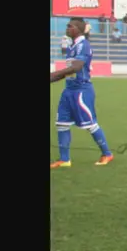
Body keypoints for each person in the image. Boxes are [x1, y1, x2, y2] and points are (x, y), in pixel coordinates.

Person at [50, 18, 114, 168]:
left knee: (90, 124)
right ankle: (64, 159)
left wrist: (53, 74)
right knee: (61, 124)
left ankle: (107, 154)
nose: (67, 28)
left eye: (69, 26)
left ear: (78, 29)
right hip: (69, 90)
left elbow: (77, 67)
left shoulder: (83, 45)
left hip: (81, 90)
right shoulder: (72, 46)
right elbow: (67, 72)